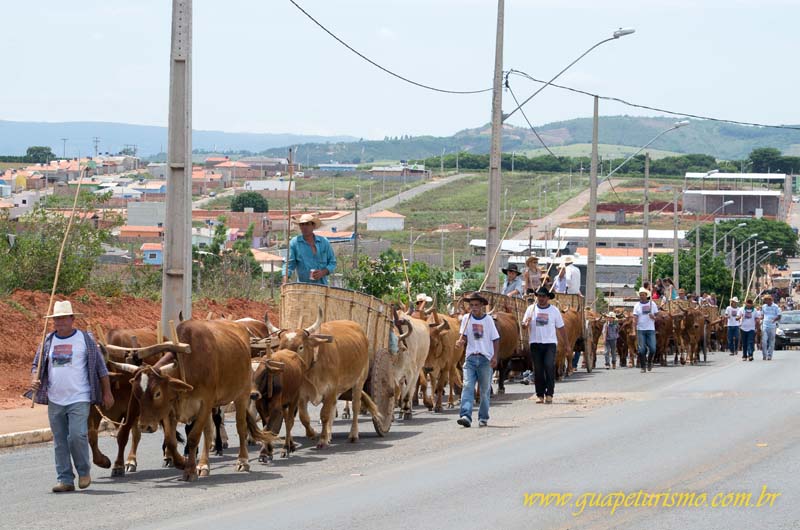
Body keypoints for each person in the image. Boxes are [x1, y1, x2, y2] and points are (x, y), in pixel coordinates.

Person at [29, 301, 114, 493]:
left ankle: (84, 472)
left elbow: (101, 369)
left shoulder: (85, 340)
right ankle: (65, 479)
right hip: (55, 398)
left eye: (63, 318)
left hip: (79, 397)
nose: (59, 322)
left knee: (77, 435)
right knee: (60, 440)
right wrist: (34, 379)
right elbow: (36, 366)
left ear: (72, 319)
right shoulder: (48, 341)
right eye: (56, 319)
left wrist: (107, 392)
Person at [455, 293, 499, 428]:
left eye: (476, 305)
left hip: (485, 358)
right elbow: (464, 337)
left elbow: (495, 339)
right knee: (468, 386)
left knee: (485, 390)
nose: (474, 308)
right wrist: (461, 342)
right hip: (471, 358)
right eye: (471, 305)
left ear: (481, 306)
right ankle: (465, 415)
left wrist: (495, 356)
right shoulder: (466, 319)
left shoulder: (488, 320)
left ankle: (483, 417)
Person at [522, 287, 567, 404]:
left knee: (549, 366)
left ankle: (549, 393)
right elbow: (524, 325)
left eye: (543, 296)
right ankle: (540, 395)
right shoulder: (531, 309)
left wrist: (566, 344)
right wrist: (525, 324)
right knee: (538, 369)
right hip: (535, 343)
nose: (541, 298)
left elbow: (561, 328)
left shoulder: (554, 311)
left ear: (548, 298)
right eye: (539, 296)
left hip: (550, 343)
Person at [283, 213, 336, 285]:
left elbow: (332, 262)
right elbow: (289, 265)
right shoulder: (295, 243)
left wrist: (323, 272)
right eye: (302, 224)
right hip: (303, 288)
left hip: (322, 287)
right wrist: (285, 281)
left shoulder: (324, 242)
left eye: (307, 224)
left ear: (313, 226)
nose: (304, 227)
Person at [633, 287, 658, 372]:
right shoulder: (637, 306)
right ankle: (643, 367)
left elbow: (657, 317)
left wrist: (653, 317)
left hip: (651, 329)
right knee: (641, 349)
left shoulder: (652, 304)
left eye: (643, 295)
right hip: (640, 329)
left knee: (653, 348)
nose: (642, 296)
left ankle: (650, 361)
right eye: (640, 295)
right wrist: (633, 330)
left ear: (646, 295)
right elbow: (635, 318)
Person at [758, 293, 781, 360]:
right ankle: (764, 355)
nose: (766, 301)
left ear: (770, 300)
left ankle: (769, 355)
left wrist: (774, 319)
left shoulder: (776, 307)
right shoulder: (764, 306)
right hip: (765, 325)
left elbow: (779, 316)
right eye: (765, 300)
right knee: (764, 341)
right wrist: (760, 319)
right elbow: (762, 315)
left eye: (767, 300)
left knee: (771, 341)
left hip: (772, 326)